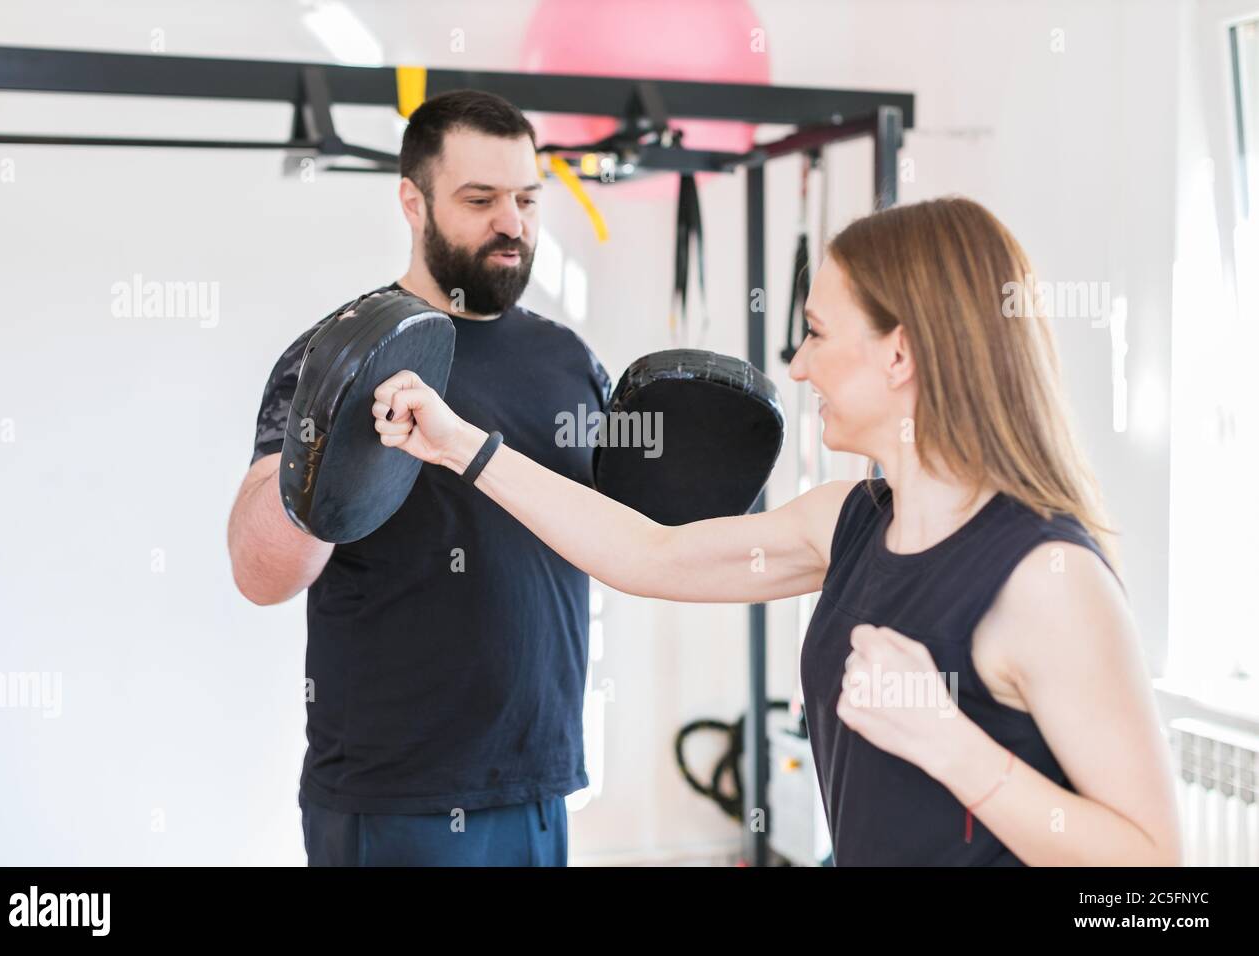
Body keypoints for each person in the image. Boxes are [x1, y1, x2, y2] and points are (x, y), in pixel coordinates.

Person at [370, 196, 1183, 866]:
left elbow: (1157, 881)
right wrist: (462, 447)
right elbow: (643, 553)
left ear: (899, 354)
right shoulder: (852, 521)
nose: (796, 365)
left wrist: (949, 743)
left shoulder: (1046, 578)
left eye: (818, 334)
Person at [227, 90, 611, 866]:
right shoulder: (338, 351)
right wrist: (328, 440)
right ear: (413, 200)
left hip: (540, 784)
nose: (513, 223)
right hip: (398, 798)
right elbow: (259, 575)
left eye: (527, 199)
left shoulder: (569, 362)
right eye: (480, 200)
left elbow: (621, 537)